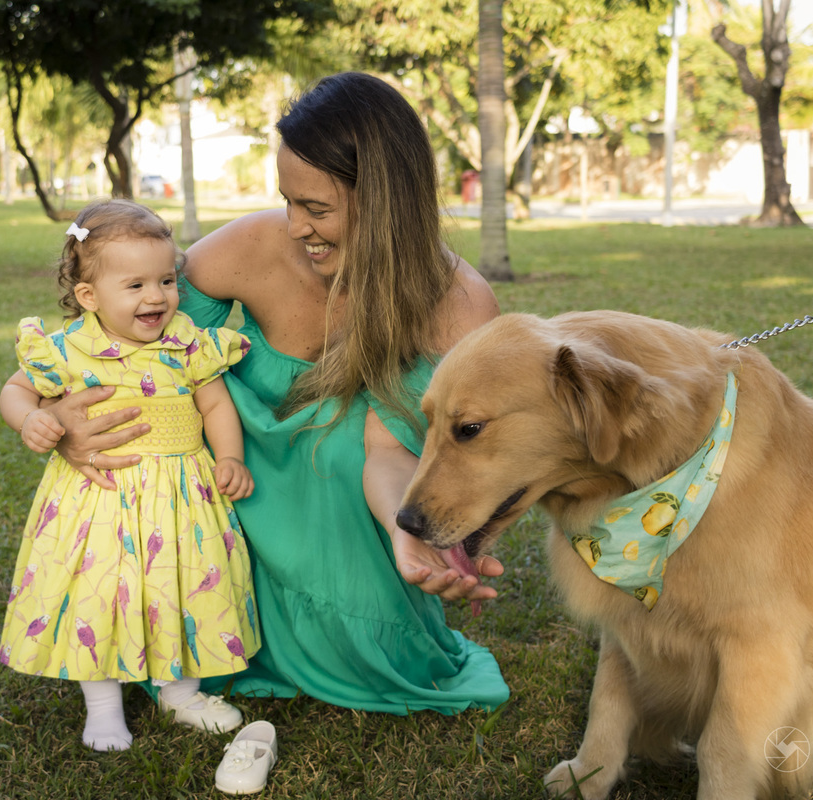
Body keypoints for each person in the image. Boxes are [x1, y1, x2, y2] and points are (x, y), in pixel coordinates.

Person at [46, 73, 510, 715]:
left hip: (340, 509)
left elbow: (385, 450)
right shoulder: (254, 246)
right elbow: (127, 335)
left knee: (339, 446)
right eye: (288, 201)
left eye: (317, 208)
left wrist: (407, 528)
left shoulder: (458, 307)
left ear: (384, 204)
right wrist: (63, 415)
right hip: (226, 492)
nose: (294, 226)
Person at [0, 199, 261, 751]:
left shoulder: (186, 341)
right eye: (135, 285)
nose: (156, 297)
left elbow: (215, 406)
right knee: (99, 593)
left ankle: (180, 691)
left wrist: (230, 457)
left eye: (166, 280)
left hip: (180, 496)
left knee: (182, 585)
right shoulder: (69, 349)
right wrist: (34, 419)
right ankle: (102, 705)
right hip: (99, 496)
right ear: (90, 296)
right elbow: (17, 390)